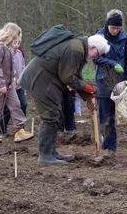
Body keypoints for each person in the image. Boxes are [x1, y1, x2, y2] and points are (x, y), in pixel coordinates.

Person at [18, 32, 108, 166]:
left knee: (56, 115)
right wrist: (89, 88)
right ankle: (45, 156)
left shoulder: (79, 48)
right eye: (97, 54)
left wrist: (87, 97)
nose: (96, 57)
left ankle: (51, 152)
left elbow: (75, 76)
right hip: (40, 80)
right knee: (50, 116)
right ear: (92, 48)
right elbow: (68, 78)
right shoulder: (75, 50)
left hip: (46, 81)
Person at [93, 10, 127, 160]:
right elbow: (96, 58)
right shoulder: (99, 37)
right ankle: (110, 148)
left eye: (118, 28)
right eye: (113, 28)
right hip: (104, 82)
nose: (115, 31)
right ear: (107, 25)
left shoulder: (125, 38)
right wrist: (112, 63)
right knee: (107, 117)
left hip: (122, 82)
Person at [0, 23, 34, 144]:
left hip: (9, 84)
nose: (19, 40)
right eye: (18, 37)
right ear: (12, 35)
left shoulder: (8, 49)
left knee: (16, 105)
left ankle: (19, 131)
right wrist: (1, 84)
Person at [0, 42, 28, 137]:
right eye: (15, 42)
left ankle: (21, 129)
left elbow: (23, 67)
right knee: (7, 109)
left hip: (19, 86)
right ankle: (1, 130)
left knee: (23, 105)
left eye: (19, 42)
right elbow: (6, 69)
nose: (17, 44)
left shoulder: (19, 53)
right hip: (9, 86)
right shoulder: (7, 52)